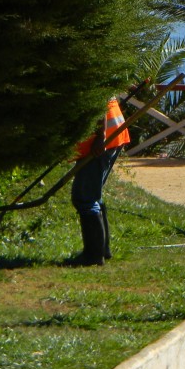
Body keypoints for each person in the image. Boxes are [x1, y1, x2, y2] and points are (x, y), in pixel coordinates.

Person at [70, 97, 131, 266]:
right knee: (92, 194)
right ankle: (102, 250)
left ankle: (93, 255)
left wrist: (100, 135)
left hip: (102, 140)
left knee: (85, 197)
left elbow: (96, 97)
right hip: (112, 133)